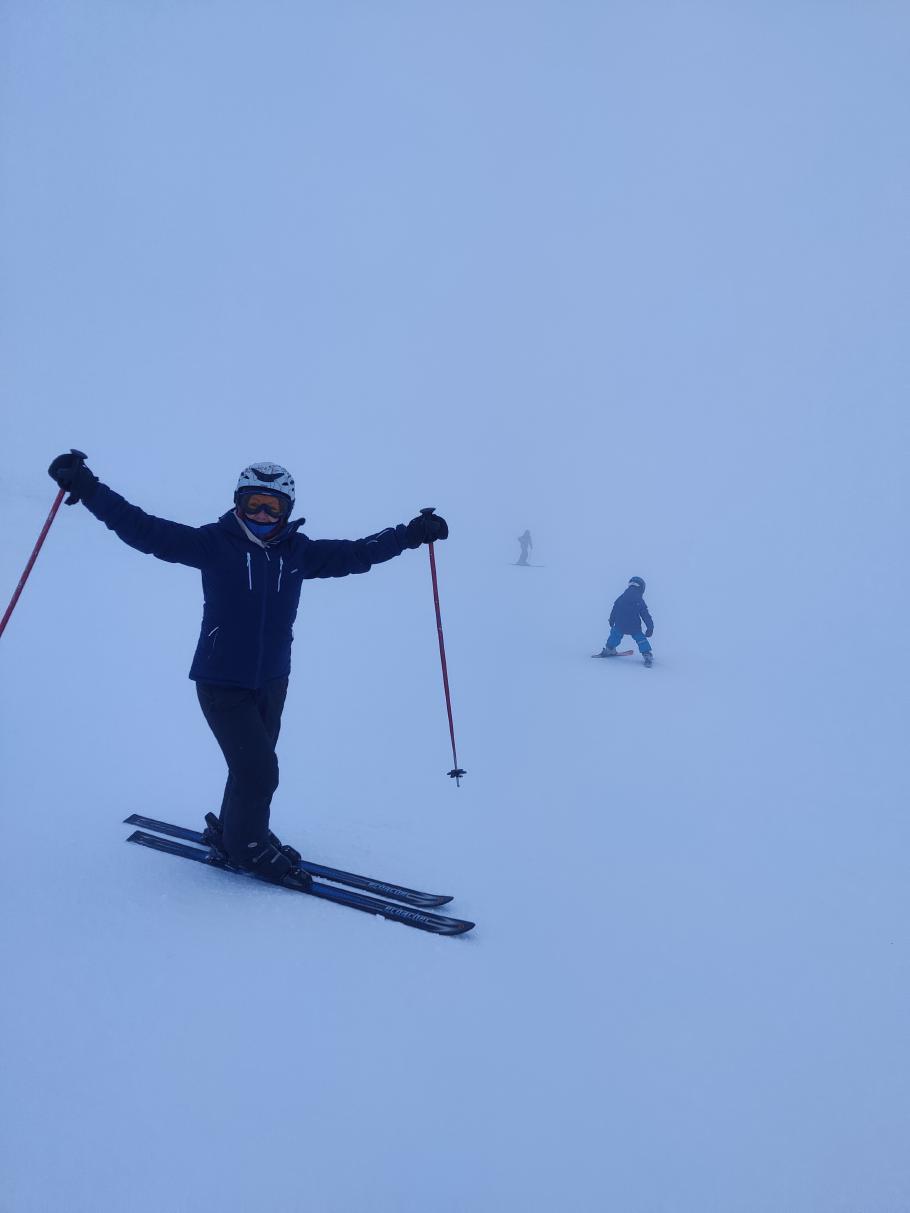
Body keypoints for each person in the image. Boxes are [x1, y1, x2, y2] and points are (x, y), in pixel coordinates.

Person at [47, 452, 448, 883]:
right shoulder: (213, 544)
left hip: (272, 679)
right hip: (222, 682)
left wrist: (409, 535)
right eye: (253, 503)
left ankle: (238, 831)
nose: (261, 513)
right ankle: (247, 847)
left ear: (286, 511)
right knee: (259, 772)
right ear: (238, 502)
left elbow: (356, 553)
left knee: (250, 767)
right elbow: (143, 529)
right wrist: (88, 489)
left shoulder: (297, 553)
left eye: (271, 506)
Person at [598, 576, 654, 666]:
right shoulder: (639, 600)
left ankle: (609, 649)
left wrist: (611, 620)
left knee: (615, 635)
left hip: (620, 624)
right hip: (634, 626)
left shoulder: (621, 597)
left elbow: (614, 609)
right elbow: (645, 614)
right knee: (641, 639)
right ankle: (646, 654)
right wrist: (650, 627)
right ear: (641, 588)